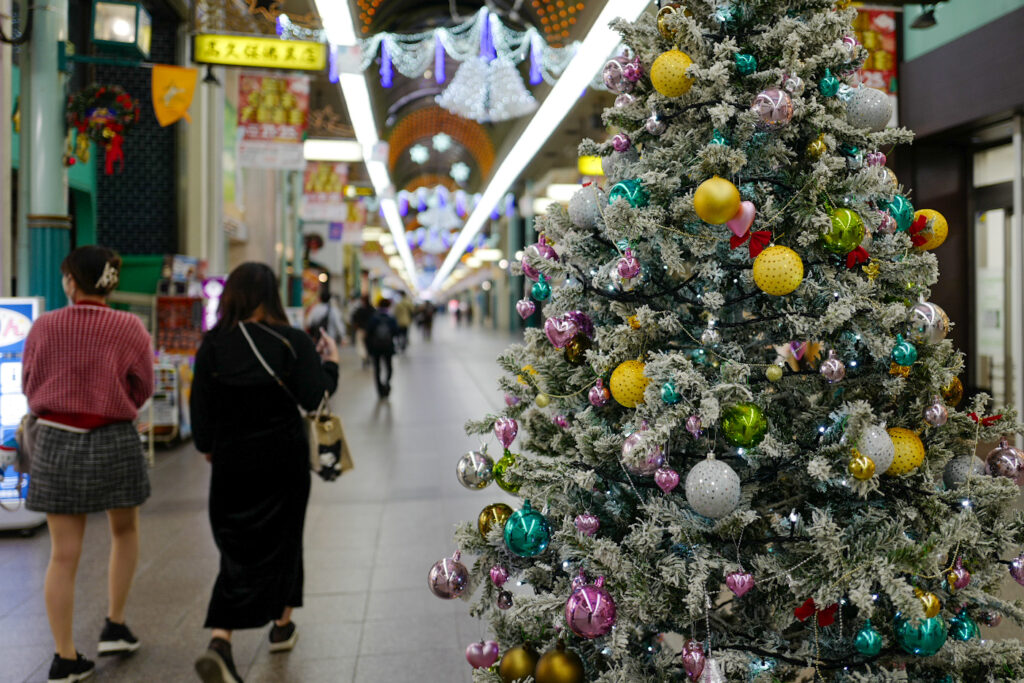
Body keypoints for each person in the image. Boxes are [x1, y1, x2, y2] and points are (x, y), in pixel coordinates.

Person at [190, 263, 339, 683]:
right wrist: (333, 364)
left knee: (236, 549)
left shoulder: (213, 345)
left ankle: (221, 639)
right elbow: (315, 398)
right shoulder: (291, 341)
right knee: (285, 538)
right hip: (283, 460)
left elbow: (199, 412)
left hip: (231, 462)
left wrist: (207, 446)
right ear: (271, 294)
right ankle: (281, 624)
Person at [22, 246, 155, 683]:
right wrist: (114, 403)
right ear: (111, 282)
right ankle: (115, 625)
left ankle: (64, 657)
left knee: (63, 555)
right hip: (115, 439)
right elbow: (143, 386)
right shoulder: (129, 326)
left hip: (57, 441)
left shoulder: (44, 327)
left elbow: (30, 383)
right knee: (124, 529)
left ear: (70, 281)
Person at [363, 298, 398, 399]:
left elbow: (368, 333)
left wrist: (369, 347)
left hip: (376, 347)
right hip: (388, 346)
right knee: (389, 367)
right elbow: (396, 331)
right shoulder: (391, 318)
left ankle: (379, 389)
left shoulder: (374, 318)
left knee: (377, 368)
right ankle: (387, 383)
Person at [350, 295, 374, 368]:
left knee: (360, 344)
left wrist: (356, 326)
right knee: (368, 344)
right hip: (370, 331)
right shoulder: (372, 310)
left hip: (361, 330)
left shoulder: (359, 310)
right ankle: (367, 355)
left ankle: (364, 356)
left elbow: (354, 318)